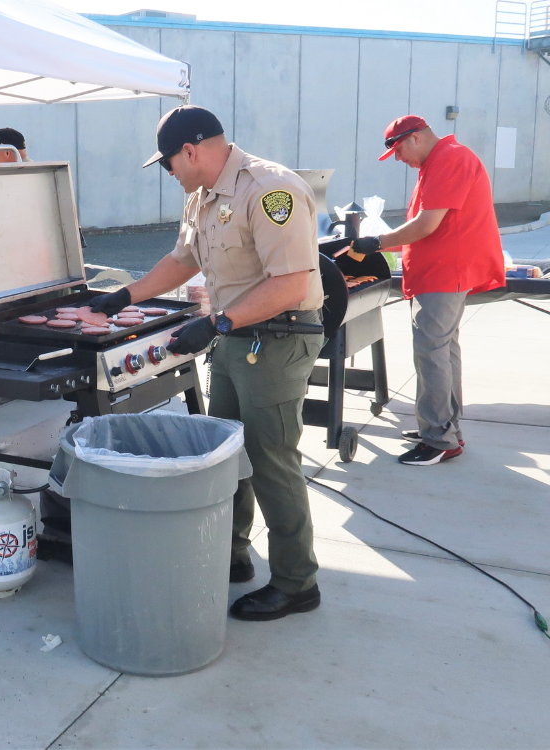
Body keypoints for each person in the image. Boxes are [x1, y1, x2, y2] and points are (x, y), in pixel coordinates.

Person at [88, 105, 326, 621]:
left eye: (169, 163)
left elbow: (292, 284)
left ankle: (296, 582)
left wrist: (216, 323)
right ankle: (233, 555)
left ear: (191, 151)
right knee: (226, 453)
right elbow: (183, 260)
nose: (169, 174)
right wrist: (124, 295)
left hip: (278, 340)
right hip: (238, 338)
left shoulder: (269, 189)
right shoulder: (202, 196)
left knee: (270, 459)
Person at [355, 115, 505, 466]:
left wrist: (375, 243)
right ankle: (444, 428)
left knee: (431, 351)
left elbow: (426, 225)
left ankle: (438, 439)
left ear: (417, 138)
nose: (398, 158)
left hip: (445, 273)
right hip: (442, 272)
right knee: (443, 350)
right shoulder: (441, 159)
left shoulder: (450, 158)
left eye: (398, 150)